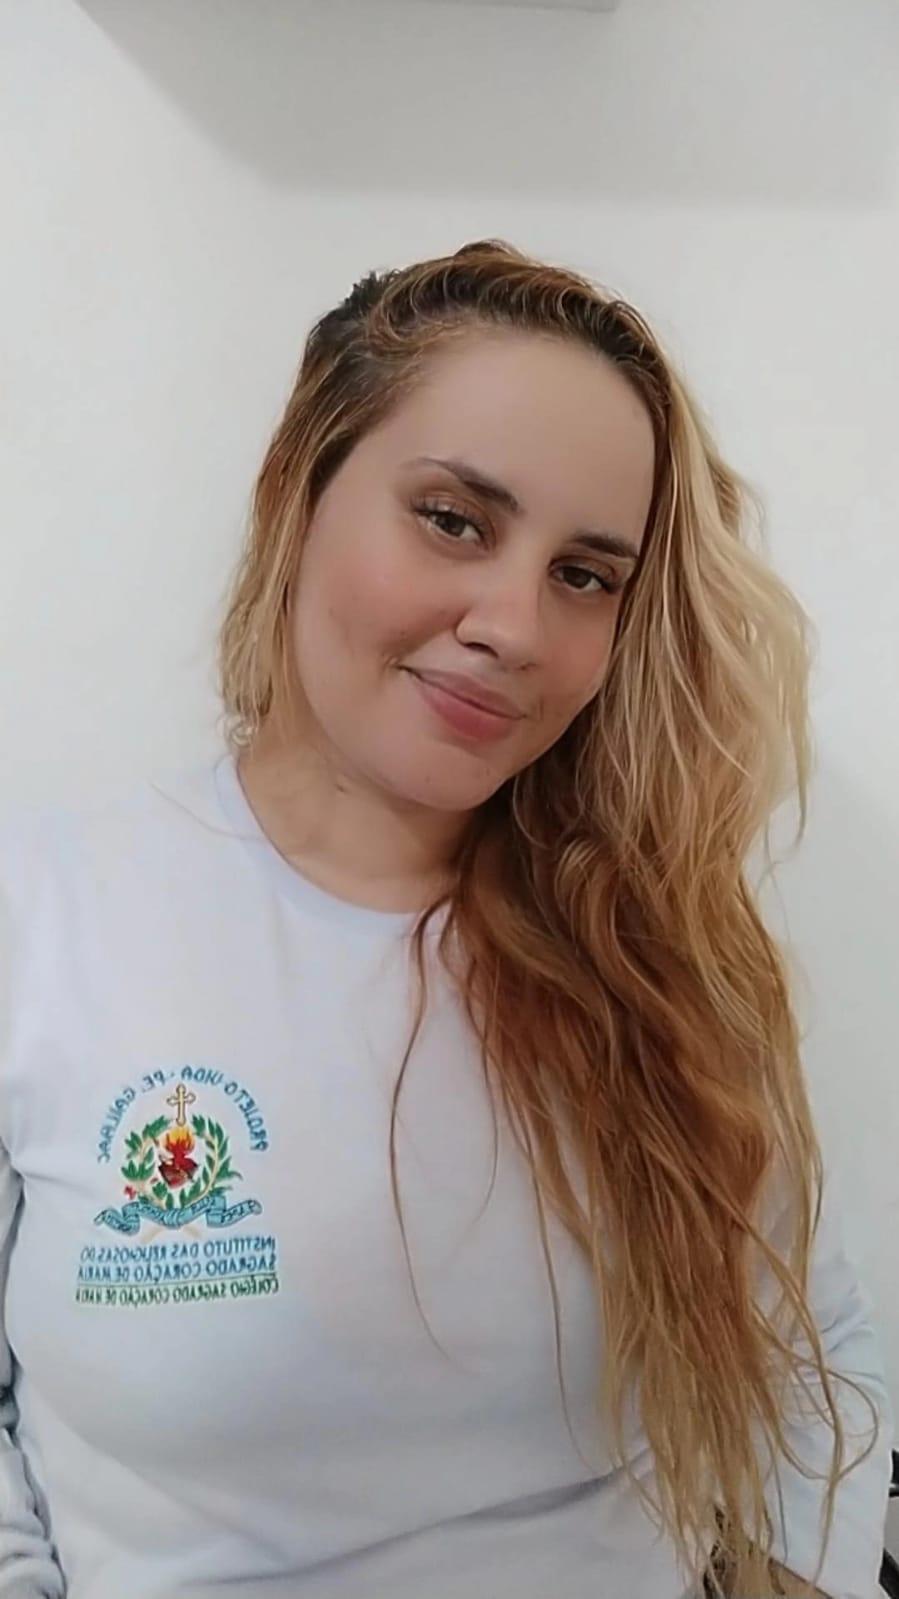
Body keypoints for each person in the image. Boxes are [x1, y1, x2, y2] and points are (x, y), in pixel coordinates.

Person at [0, 239, 893, 1599]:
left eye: (585, 575)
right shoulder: (44, 917)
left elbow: (809, 1348)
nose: (514, 625)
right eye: (456, 521)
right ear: (299, 490)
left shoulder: (654, 956)